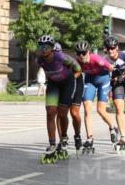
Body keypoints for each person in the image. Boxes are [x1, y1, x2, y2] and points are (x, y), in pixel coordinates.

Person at [35, 34, 82, 163]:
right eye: (41, 47)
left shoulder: (60, 57)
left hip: (67, 83)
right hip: (53, 85)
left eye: (46, 47)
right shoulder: (39, 60)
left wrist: (73, 78)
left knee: (62, 114)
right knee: (50, 113)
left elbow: (77, 68)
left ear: (51, 48)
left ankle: (64, 137)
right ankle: (52, 144)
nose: (43, 49)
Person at [75, 40, 115, 154]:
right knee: (87, 109)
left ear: (88, 52)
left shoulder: (97, 59)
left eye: (83, 52)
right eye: (79, 53)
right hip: (90, 81)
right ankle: (90, 138)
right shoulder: (77, 61)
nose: (81, 55)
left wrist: (112, 88)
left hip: (103, 80)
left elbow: (111, 69)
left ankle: (112, 127)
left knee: (100, 110)